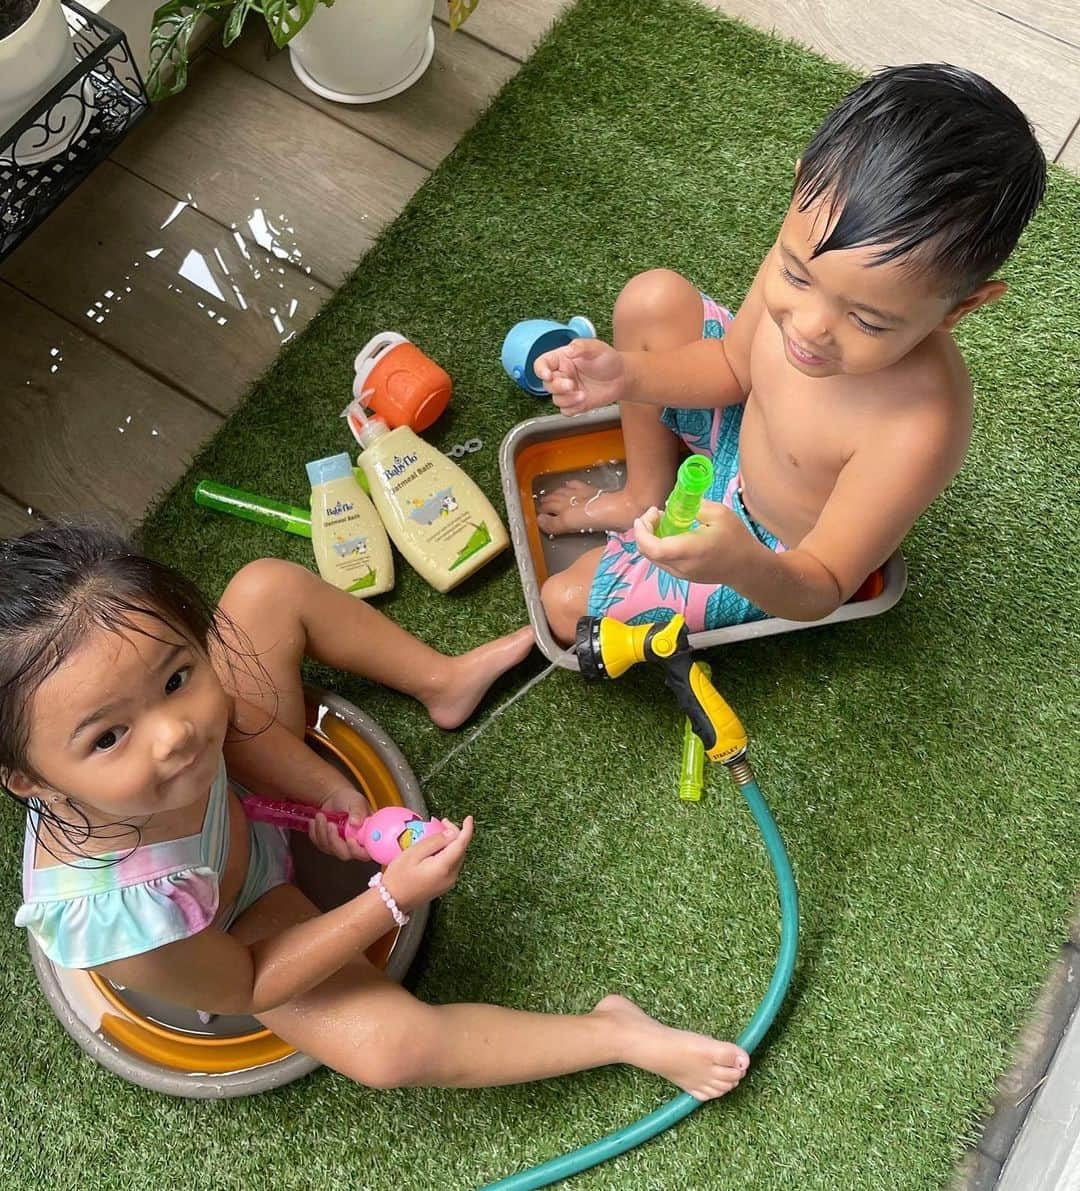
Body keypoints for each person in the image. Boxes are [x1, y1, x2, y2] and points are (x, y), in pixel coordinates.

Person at [4, 526, 748, 1097]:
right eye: (107, 735)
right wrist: (386, 899)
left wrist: (325, 798)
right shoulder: (116, 914)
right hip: (241, 920)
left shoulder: (180, 743)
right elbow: (250, 984)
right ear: (29, 780)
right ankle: (613, 1033)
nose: (174, 733)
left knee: (266, 589)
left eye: (175, 676)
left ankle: (441, 679)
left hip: (238, 813)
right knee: (390, 1051)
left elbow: (221, 738)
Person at [535, 64, 1047, 643]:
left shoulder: (917, 427)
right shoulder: (815, 246)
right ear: (801, 188)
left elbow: (823, 583)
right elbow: (732, 367)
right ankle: (641, 494)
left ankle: (690, 540)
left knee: (566, 602)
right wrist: (626, 374)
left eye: (867, 319)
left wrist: (738, 562)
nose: (806, 328)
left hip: (774, 551)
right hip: (745, 433)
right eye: (796, 276)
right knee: (651, 300)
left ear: (961, 307)